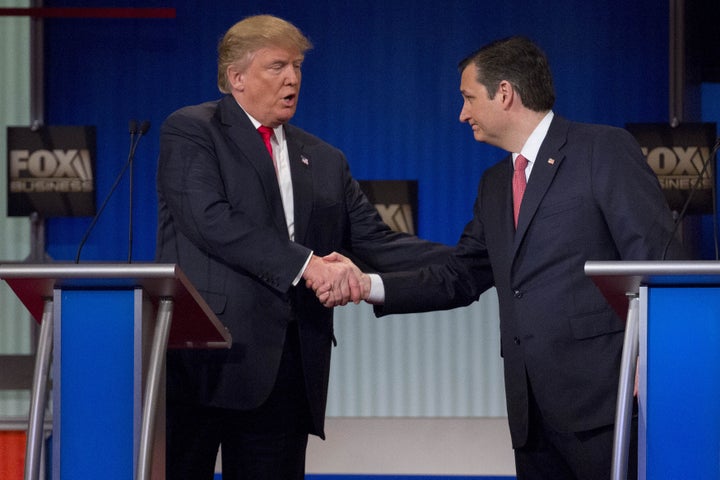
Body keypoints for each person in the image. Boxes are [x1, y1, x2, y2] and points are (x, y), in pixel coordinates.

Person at [323, 36, 683, 479]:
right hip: (530, 414)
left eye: (468, 98)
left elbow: (656, 262)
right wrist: (368, 285)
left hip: (605, 403)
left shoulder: (601, 150)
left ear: (506, 93)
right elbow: (461, 275)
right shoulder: (495, 183)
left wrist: (654, 364)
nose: (462, 113)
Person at [155, 14, 449, 480]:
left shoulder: (325, 159)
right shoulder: (193, 130)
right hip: (204, 360)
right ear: (237, 77)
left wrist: (479, 256)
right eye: (276, 66)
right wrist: (308, 265)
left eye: (296, 66)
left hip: (286, 369)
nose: (292, 78)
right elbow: (210, 221)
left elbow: (377, 242)